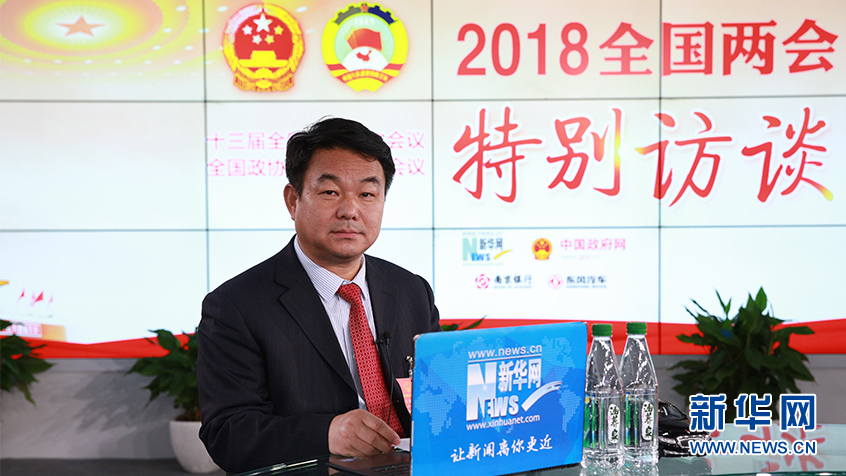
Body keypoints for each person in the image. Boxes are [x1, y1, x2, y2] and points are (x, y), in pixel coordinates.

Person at [197, 117, 440, 474]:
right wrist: (327, 434)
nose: (350, 210)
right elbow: (229, 434)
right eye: (330, 192)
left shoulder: (411, 290)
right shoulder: (237, 305)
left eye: (367, 194)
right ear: (293, 200)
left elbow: (437, 398)